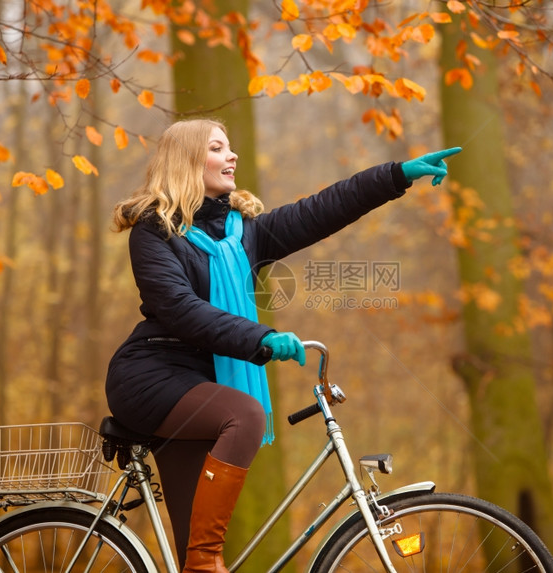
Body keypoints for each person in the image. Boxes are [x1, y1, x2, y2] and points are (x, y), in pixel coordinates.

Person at [105, 118, 460, 573]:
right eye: (217, 148)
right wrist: (263, 338)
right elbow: (178, 309)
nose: (232, 156)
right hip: (151, 376)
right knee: (244, 417)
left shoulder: (243, 231)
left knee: (188, 547)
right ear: (188, 161)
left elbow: (322, 209)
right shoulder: (154, 232)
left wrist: (394, 175)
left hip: (200, 382)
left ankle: (201, 559)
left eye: (231, 147)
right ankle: (207, 560)